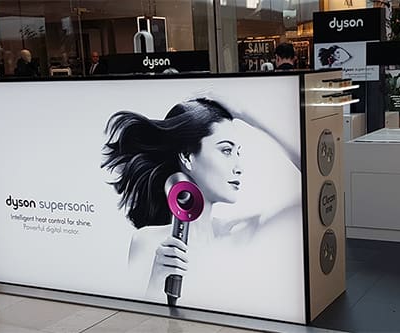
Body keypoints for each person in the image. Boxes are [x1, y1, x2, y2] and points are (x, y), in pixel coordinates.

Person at [101, 97, 301, 302]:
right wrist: (156, 280)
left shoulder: (242, 231)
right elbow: (142, 323)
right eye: (226, 150)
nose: (238, 167)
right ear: (187, 157)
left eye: (237, 152)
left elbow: (315, 176)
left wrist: (246, 114)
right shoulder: (147, 242)